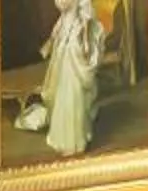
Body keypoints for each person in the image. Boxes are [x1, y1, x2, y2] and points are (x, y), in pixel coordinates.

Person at [41, 0, 107, 158]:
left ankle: (76, 140)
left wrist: (84, 43)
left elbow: (86, 18)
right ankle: (63, 137)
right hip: (64, 37)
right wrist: (52, 39)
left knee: (73, 88)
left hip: (74, 40)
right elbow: (63, 16)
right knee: (62, 89)